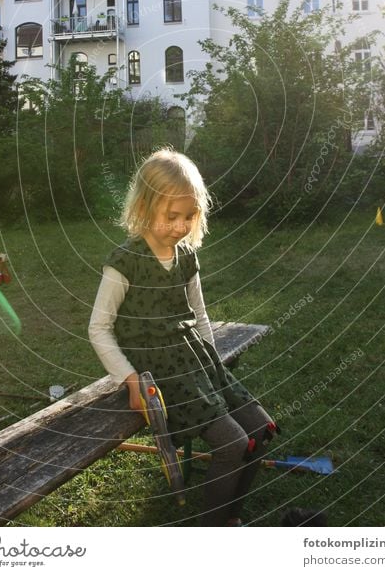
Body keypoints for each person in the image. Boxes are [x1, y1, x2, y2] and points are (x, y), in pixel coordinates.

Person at [89, 148, 278, 526]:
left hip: (196, 362)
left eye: (189, 216)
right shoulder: (124, 263)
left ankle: (229, 520)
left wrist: (214, 365)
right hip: (158, 374)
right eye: (171, 216)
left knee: (261, 430)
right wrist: (129, 381)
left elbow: (200, 315)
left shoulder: (186, 257)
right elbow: (98, 328)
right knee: (233, 444)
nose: (180, 226)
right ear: (145, 206)